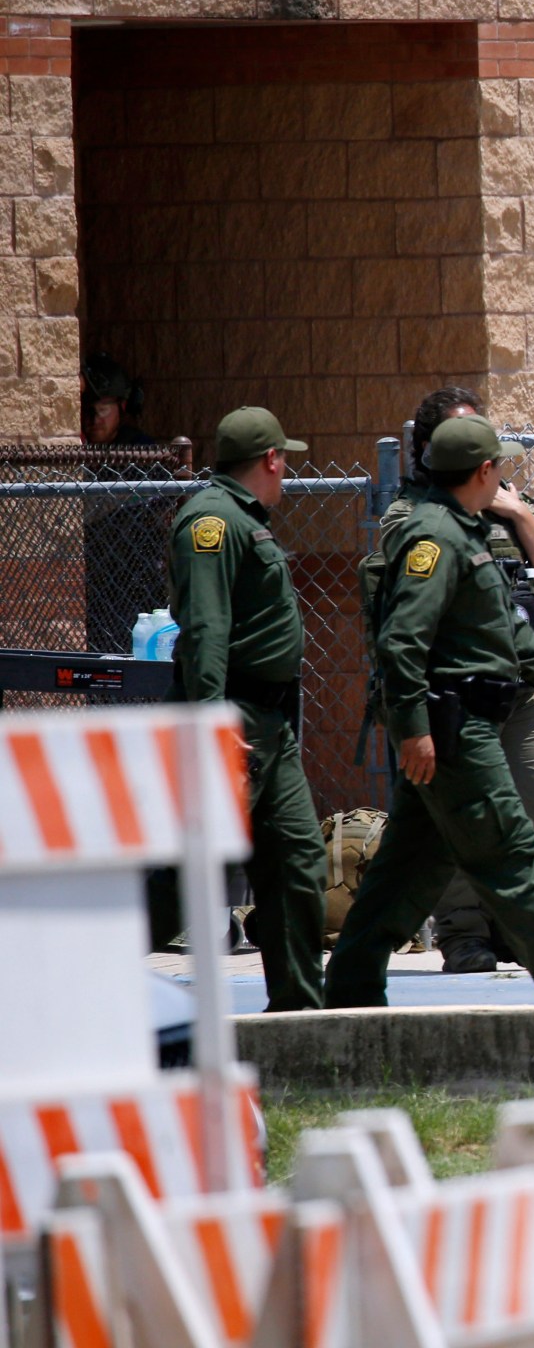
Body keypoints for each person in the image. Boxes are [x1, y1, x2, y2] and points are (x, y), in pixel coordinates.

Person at [323, 416, 534, 1008]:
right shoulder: (433, 538)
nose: (504, 472)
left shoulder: (464, 531)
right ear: (483, 472)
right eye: (499, 463)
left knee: (407, 869)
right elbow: (401, 642)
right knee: (511, 849)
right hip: (453, 728)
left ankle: (350, 982)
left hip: (467, 720)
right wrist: (415, 731)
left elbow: (506, 635)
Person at [368, 388, 534, 974]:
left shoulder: (507, 502)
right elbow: (405, 626)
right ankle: (463, 932)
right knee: (460, 818)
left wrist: (518, 513)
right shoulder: (415, 518)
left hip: (522, 686)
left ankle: (514, 924)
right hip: (456, 696)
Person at [167, 408, 328, 1012]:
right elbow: (206, 632)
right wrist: (212, 729)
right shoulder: (212, 521)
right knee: (178, 874)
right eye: (286, 457)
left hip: (270, 727)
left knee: (297, 861)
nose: (288, 468)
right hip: (233, 720)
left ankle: (299, 1010)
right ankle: (84, 977)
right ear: (269, 459)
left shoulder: (243, 518)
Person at [81, 352, 171, 654]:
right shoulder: (79, 454)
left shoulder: (140, 452)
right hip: (93, 578)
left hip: (133, 578)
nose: (94, 419)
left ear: (121, 407)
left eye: (103, 409)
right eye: (87, 410)